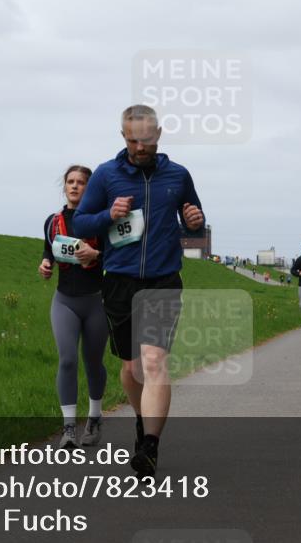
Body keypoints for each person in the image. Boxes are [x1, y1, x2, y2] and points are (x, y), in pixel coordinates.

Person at [72, 105, 204, 478]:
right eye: (132, 140)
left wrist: (195, 221)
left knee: (153, 362)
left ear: (158, 134)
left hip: (163, 279)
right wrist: (107, 215)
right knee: (131, 369)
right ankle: (142, 419)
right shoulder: (106, 175)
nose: (139, 146)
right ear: (123, 136)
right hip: (119, 280)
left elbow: (194, 222)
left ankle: (149, 446)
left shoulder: (177, 176)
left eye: (146, 139)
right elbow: (81, 221)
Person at [39, 165, 108, 449]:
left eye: (81, 182)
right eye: (71, 181)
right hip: (64, 300)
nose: (75, 186)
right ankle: (68, 428)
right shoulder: (52, 222)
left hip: (96, 301)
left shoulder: (101, 221)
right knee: (67, 359)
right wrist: (45, 266)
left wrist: (97, 254)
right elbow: (48, 253)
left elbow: (116, 258)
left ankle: (94, 417)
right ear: (64, 186)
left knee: (93, 362)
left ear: (89, 188)